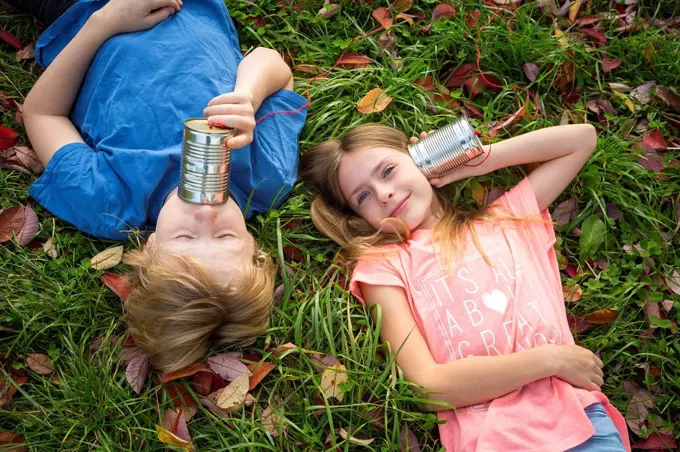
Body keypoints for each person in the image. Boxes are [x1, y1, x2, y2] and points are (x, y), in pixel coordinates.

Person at [14, 0, 307, 372]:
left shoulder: (108, 201)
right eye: (226, 238)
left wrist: (105, 21)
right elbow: (273, 64)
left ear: (150, 247)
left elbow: (41, 112)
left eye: (185, 238)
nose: (206, 216)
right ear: (253, 244)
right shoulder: (266, 175)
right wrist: (249, 96)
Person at [300, 123, 630, 451]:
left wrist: (476, 160)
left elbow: (581, 140)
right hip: (495, 440)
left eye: (388, 171)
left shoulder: (507, 219)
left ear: (418, 158)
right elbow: (427, 386)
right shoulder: (383, 266)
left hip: (584, 426)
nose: (383, 193)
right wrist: (551, 361)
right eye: (363, 196)